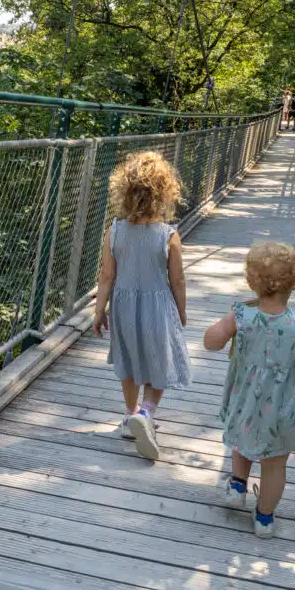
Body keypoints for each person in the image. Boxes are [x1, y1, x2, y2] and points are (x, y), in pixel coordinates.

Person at [203, 241, 295, 537]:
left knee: (241, 439)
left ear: (251, 281)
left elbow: (210, 342)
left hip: (245, 401)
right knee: (275, 464)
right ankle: (264, 519)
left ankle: (238, 484)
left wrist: (222, 330)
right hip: (282, 409)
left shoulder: (241, 316)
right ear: (294, 282)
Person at [93, 150, 190, 461]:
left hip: (123, 306)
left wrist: (99, 312)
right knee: (160, 360)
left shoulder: (115, 231)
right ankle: (146, 413)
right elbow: (178, 281)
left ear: (124, 191)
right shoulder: (168, 236)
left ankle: (130, 414)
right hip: (158, 308)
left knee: (129, 362)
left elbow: (107, 276)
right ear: (164, 194)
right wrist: (182, 311)